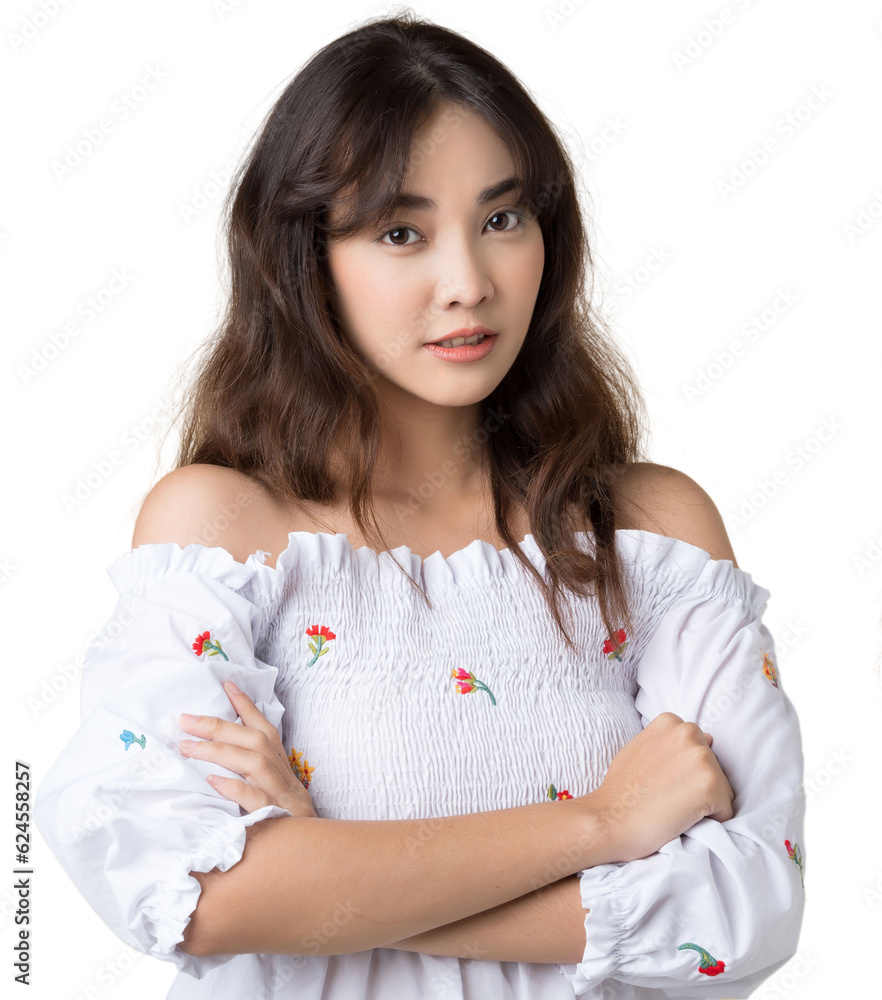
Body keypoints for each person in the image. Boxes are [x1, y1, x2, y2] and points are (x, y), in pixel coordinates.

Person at [34, 10, 806, 1000]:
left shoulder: (652, 536)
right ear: (305, 256)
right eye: (402, 231)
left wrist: (322, 868)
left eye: (502, 218)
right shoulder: (222, 534)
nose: (468, 283)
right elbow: (195, 894)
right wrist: (605, 827)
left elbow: (740, 917)